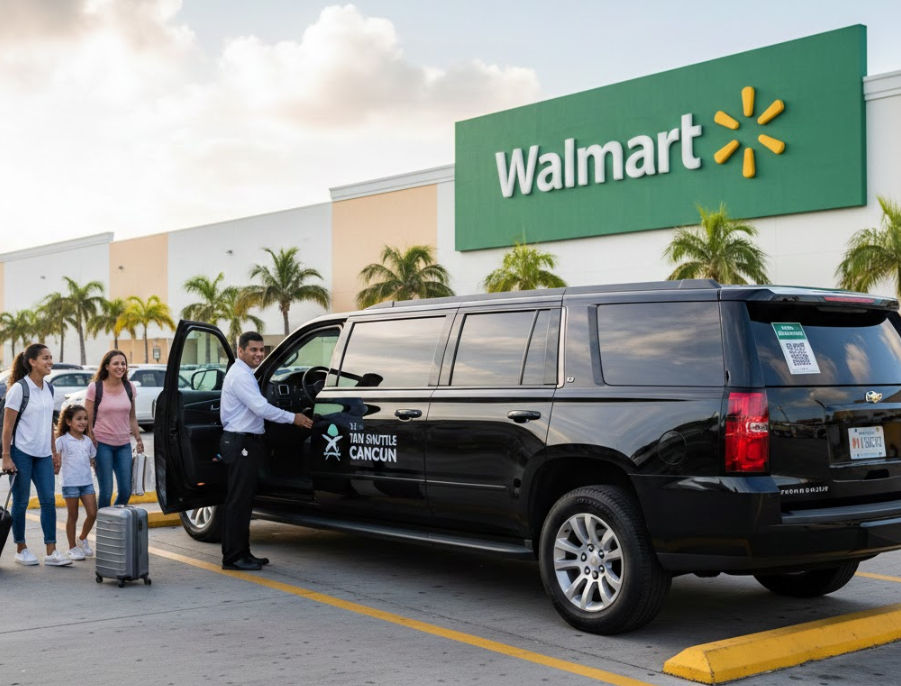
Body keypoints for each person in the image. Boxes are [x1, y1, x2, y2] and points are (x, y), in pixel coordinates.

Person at [220, 331, 312, 571]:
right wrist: (294, 418)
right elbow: (260, 407)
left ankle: (244, 553)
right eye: (253, 350)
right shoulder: (240, 376)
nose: (259, 354)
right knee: (238, 502)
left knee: (244, 501)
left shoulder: (246, 374)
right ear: (240, 350)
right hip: (240, 443)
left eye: (261, 350)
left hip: (247, 442)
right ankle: (232, 557)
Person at [0, 343, 72, 566]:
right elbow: (7, 428)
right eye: (45, 358)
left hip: (42, 455)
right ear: (32, 361)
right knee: (20, 502)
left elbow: (47, 424)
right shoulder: (19, 390)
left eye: (51, 357)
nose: (50, 361)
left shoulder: (49, 389)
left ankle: (51, 551)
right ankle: (21, 548)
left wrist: (54, 452)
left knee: (48, 500)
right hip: (20, 452)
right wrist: (6, 455)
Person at [86, 350, 143, 508]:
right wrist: (90, 445)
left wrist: (138, 439)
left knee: (125, 491)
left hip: (124, 445)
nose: (120, 367)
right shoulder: (95, 388)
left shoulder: (129, 387)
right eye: (116, 363)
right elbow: (88, 421)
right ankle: (104, 527)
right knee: (106, 491)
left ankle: (112, 520)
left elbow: (132, 417)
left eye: (123, 363)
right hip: (102, 445)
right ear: (106, 366)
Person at [56, 404, 98, 561]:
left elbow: (92, 459)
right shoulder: (62, 441)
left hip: (87, 482)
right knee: (72, 515)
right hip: (70, 483)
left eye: (85, 419)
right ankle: (72, 547)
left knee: (93, 513)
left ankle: (82, 538)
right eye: (78, 419)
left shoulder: (87, 441)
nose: (83, 422)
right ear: (68, 422)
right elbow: (53, 457)